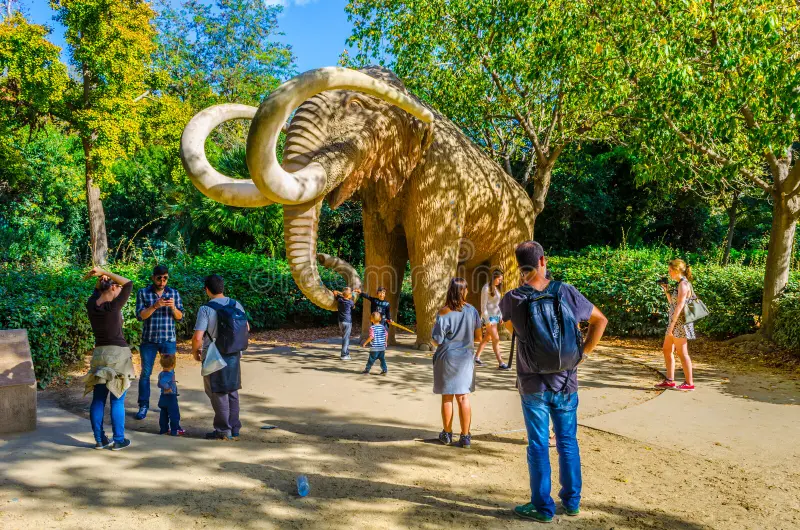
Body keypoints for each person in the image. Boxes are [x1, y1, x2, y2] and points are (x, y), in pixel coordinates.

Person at [500, 241, 607, 522]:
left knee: (538, 444)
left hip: (532, 383)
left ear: (519, 266)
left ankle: (542, 508)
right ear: (542, 261)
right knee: (567, 442)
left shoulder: (512, 298)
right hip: (566, 381)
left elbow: (510, 328)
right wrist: (583, 354)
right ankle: (572, 502)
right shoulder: (566, 291)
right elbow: (600, 320)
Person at [83, 266, 135, 451]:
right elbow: (128, 283)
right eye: (117, 287)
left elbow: (97, 293)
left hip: (99, 354)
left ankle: (99, 440)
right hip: (117, 354)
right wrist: (105, 272)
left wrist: (98, 281)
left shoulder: (91, 305)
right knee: (117, 398)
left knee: (98, 399)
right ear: (113, 288)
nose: (120, 289)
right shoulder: (114, 306)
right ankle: (118, 439)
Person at [191, 274, 249, 441]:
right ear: (223, 288)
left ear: (207, 290)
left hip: (214, 355)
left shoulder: (206, 309)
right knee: (232, 390)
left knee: (218, 392)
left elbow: (197, 337)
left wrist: (196, 352)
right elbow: (246, 327)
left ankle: (223, 430)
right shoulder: (236, 304)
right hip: (234, 353)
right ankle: (235, 427)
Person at [431, 277, 482, 449]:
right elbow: (478, 337)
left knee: (447, 397)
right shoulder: (472, 311)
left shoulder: (444, 312)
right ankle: (465, 436)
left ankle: (446, 434)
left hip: (446, 358)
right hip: (466, 358)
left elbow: (437, 340)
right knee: (463, 397)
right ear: (464, 291)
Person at [134, 264, 184, 420]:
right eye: (159, 278)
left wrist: (173, 308)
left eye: (165, 278)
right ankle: (143, 406)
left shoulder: (173, 293)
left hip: (168, 339)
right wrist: (155, 306)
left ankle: (168, 404)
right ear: (153, 277)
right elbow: (141, 316)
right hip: (149, 340)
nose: (162, 281)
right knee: (145, 374)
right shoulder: (143, 293)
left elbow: (180, 317)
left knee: (169, 373)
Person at [655, 259, 696, 391]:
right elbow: (672, 303)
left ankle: (689, 383)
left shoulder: (684, 285)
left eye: (670, 270)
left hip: (679, 324)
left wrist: (672, 325)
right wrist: (666, 290)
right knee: (667, 350)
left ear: (677, 270)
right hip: (674, 322)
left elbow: (680, 306)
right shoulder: (680, 284)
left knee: (682, 353)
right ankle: (669, 380)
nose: (669, 273)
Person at [474, 269, 509, 369]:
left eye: (501, 279)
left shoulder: (496, 288)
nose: (500, 281)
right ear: (494, 277)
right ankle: (501, 363)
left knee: (487, 338)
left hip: (495, 317)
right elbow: (483, 307)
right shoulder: (486, 288)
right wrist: (487, 321)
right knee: (496, 339)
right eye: (499, 279)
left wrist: (501, 316)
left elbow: (497, 305)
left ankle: (476, 357)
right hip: (489, 318)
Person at [157, 355, 184, 436]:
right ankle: (174, 430)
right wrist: (167, 388)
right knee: (174, 414)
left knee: (163, 414)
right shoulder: (169, 374)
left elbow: (159, 384)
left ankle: (163, 429)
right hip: (170, 397)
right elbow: (161, 383)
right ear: (173, 365)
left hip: (163, 397)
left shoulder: (161, 373)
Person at [331, 286, 361, 360]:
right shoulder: (350, 302)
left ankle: (346, 353)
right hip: (347, 322)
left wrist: (341, 293)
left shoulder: (340, 299)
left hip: (340, 321)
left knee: (345, 337)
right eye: (350, 293)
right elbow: (353, 307)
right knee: (346, 338)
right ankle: (344, 355)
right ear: (349, 295)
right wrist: (348, 294)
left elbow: (334, 291)